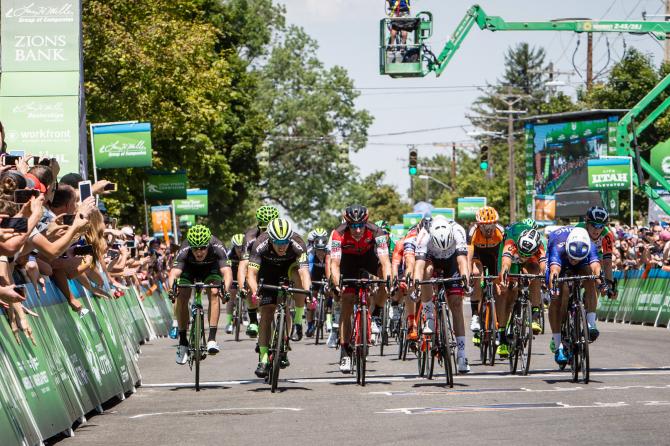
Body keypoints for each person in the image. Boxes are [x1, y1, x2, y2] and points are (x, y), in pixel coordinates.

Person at [330, 205, 392, 373]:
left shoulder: (377, 232)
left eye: (360, 225)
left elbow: (385, 261)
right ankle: (344, 352)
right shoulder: (338, 233)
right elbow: (334, 264)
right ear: (347, 224)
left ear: (366, 222)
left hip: (368, 258)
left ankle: (377, 312)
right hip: (347, 262)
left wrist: (388, 281)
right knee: (347, 303)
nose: (357, 230)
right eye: (353, 226)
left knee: (384, 277)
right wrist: (337, 284)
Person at [246, 218, 311, 378]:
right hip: (267, 272)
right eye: (277, 242)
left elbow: (304, 273)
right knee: (267, 313)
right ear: (270, 239)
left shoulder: (297, 243)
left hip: (288, 269)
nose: (282, 246)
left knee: (297, 276)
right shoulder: (260, 243)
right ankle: (262, 359)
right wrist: (255, 292)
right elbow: (251, 274)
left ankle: (297, 322)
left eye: (285, 242)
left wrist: (308, 291)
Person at [413, 215, 472, 373]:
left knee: (456, 305)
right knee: (427, 272)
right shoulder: (424, 235)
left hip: (452, 260)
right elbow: (418, 266)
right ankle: (429, 318)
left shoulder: (458, 231)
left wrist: (465, 281)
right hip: (431, 260)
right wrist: (417, 285)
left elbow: (462, 262)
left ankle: (461, 355)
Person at [168, 225, 232, 364]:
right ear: (190, 246)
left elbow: (226, 272)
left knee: (215, 292)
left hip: (211, 270)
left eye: (203, 247)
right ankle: (183, 342)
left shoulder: (218, 246)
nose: (199, 252)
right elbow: (174, 273)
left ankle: (212, 339)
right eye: (195, 248)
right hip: (189, 270)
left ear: (208, 244)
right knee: (182, 295)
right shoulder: (184, 249)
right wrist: (172, 289)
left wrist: (225, 290)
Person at [546, 226, 606, 366]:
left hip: (583, 262)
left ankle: (591, 323)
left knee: (590, 278)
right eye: (572, 258)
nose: (574, 260)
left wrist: (602, 283)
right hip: (561, 263)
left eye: (576, 259)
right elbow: (554, 271)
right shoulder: (558, 246)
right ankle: (558, 344)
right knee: (557, 297)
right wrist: (553, 288)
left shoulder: (590, 246)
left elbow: (596, 267)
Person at [498, 227, 546, 357]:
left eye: (527, 254)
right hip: (512, 258)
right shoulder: (511, 243)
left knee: (536, 274)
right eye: (523, 254)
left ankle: (535, 316)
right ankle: (501, 336)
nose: (524, 257)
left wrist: (543, 276)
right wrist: (505, 277)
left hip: (532, 259)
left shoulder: (539, 247)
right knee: (507, 292)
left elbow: (543, 266)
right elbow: (505, 265)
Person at [237, 205, 279, 338]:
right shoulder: (250, 237)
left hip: (274, 266)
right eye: (264, 229)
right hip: (256, 266)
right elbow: (243, 264)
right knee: (249, 283)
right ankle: (253, 319)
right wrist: (242, 285)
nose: (267, 232)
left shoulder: (281, 234)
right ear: (259, 225)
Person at [575, 206, 617, 340]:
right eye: (593, 225)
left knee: (597, 283)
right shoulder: (578, 229)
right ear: (587, 222)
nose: (596, 229)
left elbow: (608, 261)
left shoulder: (607, 235)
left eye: (600, 226)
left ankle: (591, 323)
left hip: (595, 258)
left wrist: (609, 284)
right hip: (576, 256)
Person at [467, 206, 504, 345]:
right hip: (478, 257)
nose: (488, 230)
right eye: (484, 227)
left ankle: (499, 324)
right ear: (478, 225)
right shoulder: (473, 232)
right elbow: (468, 255)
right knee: (476, 274)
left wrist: (501, 275)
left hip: (495, 256)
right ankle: (476, 315)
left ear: (496, 223)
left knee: (499, 288)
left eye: (491, 226)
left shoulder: (501, 231)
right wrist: (468, 272)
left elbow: (504, 255)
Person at [306, 234, 328, 338]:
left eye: (322, 250)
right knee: (311, 299)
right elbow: (309, 270)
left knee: (329, 293)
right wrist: (309, 284)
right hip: (315, 276)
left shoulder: (329, 255)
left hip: (326, 275)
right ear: (315, 249)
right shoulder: (311, 255)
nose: (320, 253)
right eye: (318, 250)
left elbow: (332, 271)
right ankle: (310, 325)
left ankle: (326, 312)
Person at [224, 233, 245, 334]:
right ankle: (228, 323)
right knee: (231, 297)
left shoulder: (247, 253)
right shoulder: (229, 255)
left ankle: (249, 317)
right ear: (234, 246)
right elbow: (225, 269)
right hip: (233, 275)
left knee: (248, 293)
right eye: (237, 247)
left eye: (242, 247)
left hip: (244, 276)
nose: (240, 250)